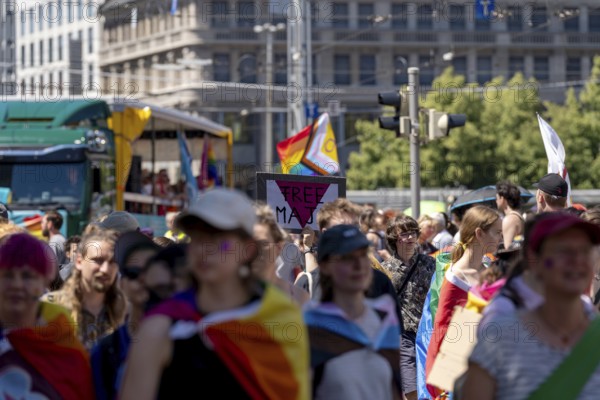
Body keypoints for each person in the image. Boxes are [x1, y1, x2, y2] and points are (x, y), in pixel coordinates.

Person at [119, 188, 309, 399]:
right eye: (197, 239)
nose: (204, 250)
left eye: (219, 240)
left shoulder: (282, 317)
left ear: (248, 249)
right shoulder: (161, 327)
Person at [461, 213, 600, 399]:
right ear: (535, 260)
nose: (577, 260)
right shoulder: (499, 336)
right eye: (563, 251)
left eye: (585, 250)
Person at [304, 224, 402, 400]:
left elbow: (393, 388)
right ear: (325, 265)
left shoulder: (385, 317)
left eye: (363, 255)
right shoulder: (308, 325)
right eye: (347, 258)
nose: (359, 265)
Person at [0, 233, 94, 398]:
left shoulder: (65, 347)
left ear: (45, 281)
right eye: (8, 275)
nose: (16, 284)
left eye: (27, 276)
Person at [424, 205, 502, 398]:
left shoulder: (486, 270)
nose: (501, 238)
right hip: (461, 369)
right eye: (497, 233)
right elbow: (443, 329)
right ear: (479, 234)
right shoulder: (456, 276)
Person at [44, 228, 127, 350]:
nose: (105, 269)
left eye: (112, 262)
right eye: (98, 260)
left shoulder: (124, 309)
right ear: (79, 261)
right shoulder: (51, 305)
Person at [382, 215, 436, 400]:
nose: (410, 237)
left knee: (430, 380)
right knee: (410, 383)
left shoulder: (430, 263)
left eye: (413, 232)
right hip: (403, 335)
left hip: (428, 332)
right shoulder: (385, 269)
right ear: (394, 239)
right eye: (404, 234)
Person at [253, 203, 309, 305]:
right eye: (248, 244)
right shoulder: (226, 299)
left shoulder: (299, 299)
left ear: (278, 247)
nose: (255, 251)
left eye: (263, 244)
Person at [496, 180, 525, 249]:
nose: (496, 201)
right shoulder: (519, 216)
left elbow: (508, 250)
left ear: (502, 199)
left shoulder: (509, 220)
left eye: (496, 198)